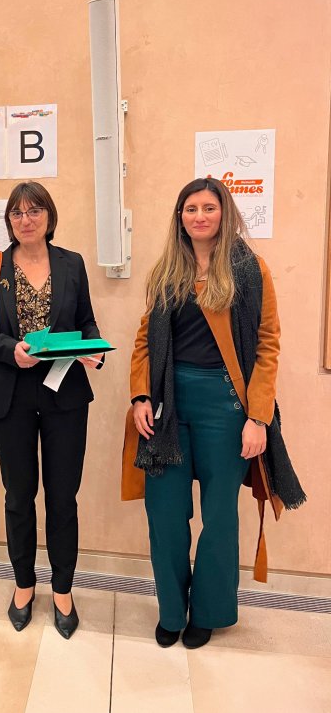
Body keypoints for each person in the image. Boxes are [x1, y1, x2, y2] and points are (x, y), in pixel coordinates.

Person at [123, 177, 305, 650]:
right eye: (190, 208)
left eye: (208, 207)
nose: (199, 216)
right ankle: (171, 611)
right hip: (168, 406)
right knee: (164, 514)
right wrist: (140, 396)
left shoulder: (249, 269)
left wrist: (258, 417)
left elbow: (267, 344)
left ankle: (207, 611)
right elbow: (145, 340)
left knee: (220, 517)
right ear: (179, 217)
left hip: (226, 408)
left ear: (224, 212)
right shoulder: (167, 270)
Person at [0, 181, 103, 639]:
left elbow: (86, 321)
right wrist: (10, 349)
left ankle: (63, 589)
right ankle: (23, 584)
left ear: (49, 216)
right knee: (19, 496)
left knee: (63, 498)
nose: (26, 220)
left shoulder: (72, 263)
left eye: (34, 210)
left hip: (65, 394)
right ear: (9, 220)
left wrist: (93, 349)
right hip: (11, 394)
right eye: (17, 213)